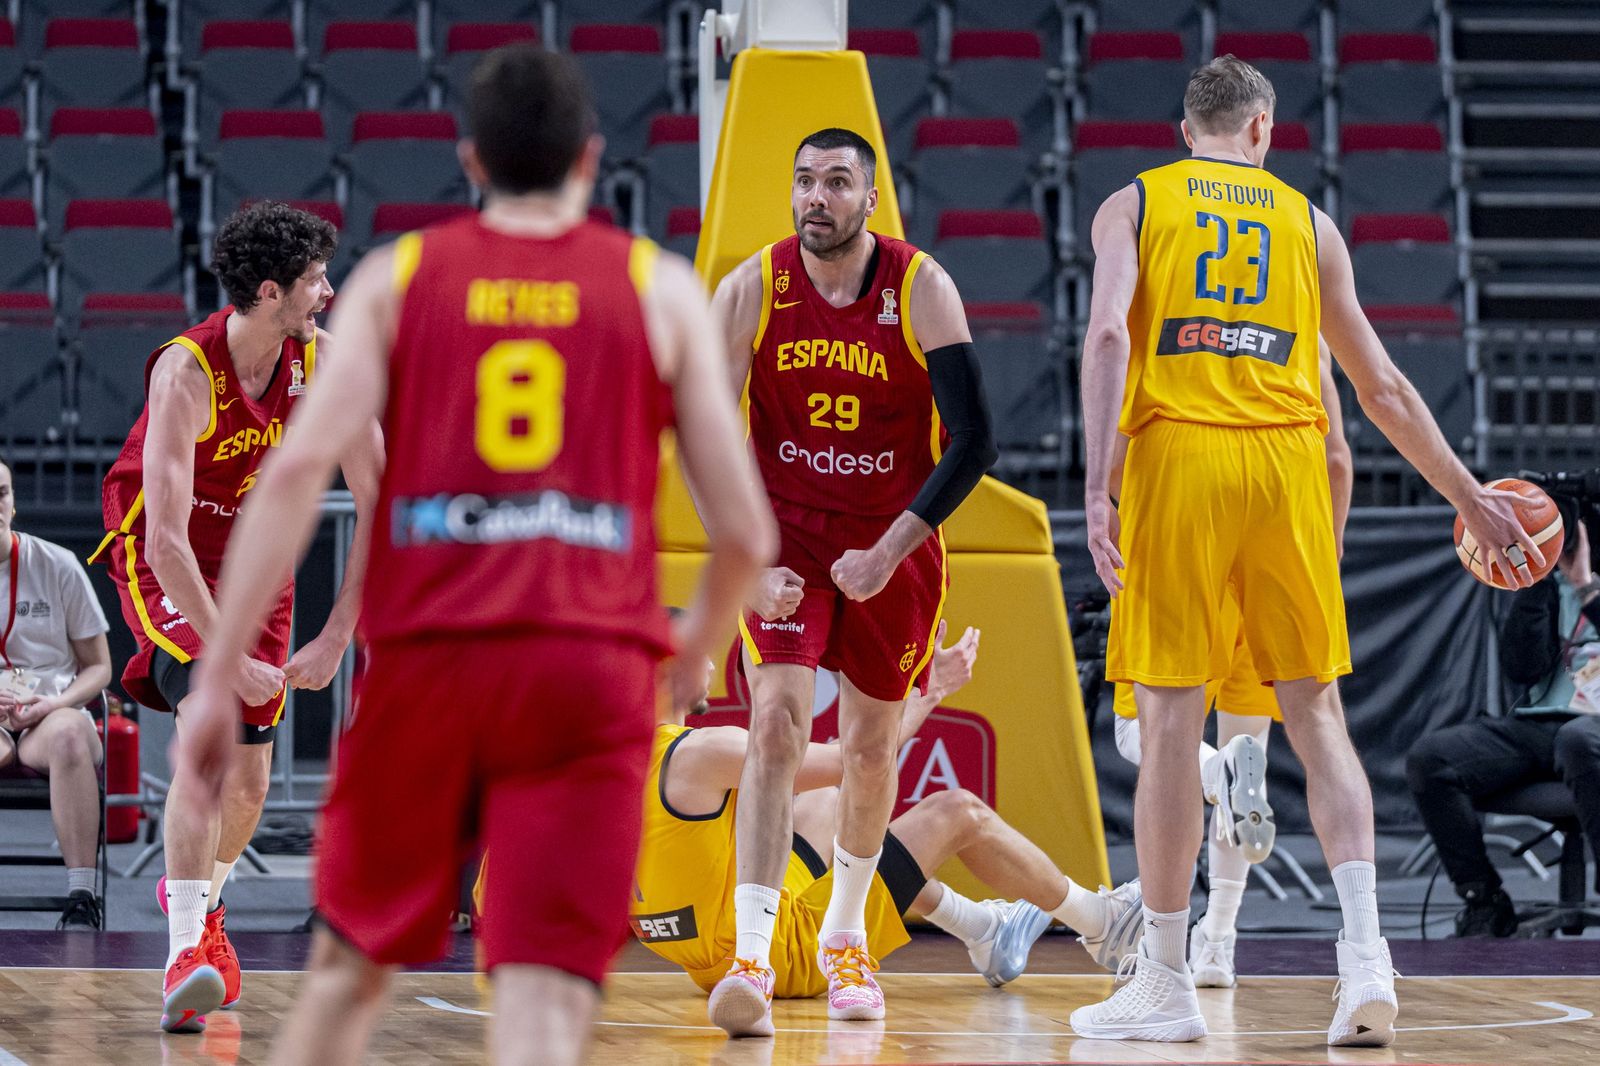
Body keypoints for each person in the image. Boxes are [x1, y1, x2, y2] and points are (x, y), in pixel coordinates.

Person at [177, 46, 774, 1066]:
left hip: (436, 664)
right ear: (589, 160)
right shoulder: (656, 286)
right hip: (587, 673)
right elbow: (745, 532)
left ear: (470, 160)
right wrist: (701, 650)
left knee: (346, 973)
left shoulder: (399, 278)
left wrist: (214, 670)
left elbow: (291, 477)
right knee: (540, 997)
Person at [1075, 55, 1537, 1046]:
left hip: (1181, 456)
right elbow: (1380, 391)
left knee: (1164, 725)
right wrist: (1468, 494)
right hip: (1286, 464)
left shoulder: (1135, 202)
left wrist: (1091, 484)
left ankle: (1164, 979)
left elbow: (1109, 335)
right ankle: (1365, 955)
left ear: (1185, 127)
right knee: (1317, 716)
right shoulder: (1308, 222)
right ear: (1262, 130)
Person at [706, 126, 997, 1032]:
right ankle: (752, 952)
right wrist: (745, 564)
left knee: (871, 750)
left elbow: (975, 442)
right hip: (787, 539)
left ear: (870, 199)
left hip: (889, 543)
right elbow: (705, 436)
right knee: (776, 724)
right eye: (803, 182)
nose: (815, 198)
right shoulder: (752, 287)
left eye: (836, 182)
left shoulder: (922, 288)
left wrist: (891, 550)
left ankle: (844, 939)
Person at [89, 200, 380, 1032]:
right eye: (315, 280)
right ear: (267, 291)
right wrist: (223, 658)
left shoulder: (323, 360)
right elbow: (171, 542)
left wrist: (338, 631)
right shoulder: (183, 373)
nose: (329, 292)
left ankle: (205, 909)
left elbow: (377, 493)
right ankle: (183, 947)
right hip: (162, 553)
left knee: (251, 778)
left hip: (256, 558)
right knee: (211, 730)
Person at [616, 622, 1142, 1033]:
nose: (713, 654)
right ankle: (1099, 922)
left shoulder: (620, 755)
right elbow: (860, 760)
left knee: (827, 807)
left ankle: (981, 928)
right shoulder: (705, 751)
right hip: (786, 956)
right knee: (956, 811)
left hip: (703, 962)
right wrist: (929, 691)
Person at [1109, 338, 1353, 986]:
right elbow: (1338, 463)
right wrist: (1317, 567)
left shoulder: (1163, 324)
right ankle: (1219, 940)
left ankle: (1215, 776)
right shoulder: (1300, 339)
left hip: (1186, 534)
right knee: (1254, 740)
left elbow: (1120, 454)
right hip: (1279, 543)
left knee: (1146, 734)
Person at [1407, 500, 1600, 937]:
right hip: (1542, 725)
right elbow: (1521, 668)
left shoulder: (1585, 584)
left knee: (1578, 739)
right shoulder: (1552, 583)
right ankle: (1484, 900)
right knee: (1432, 759)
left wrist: (1587, 589)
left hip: (1589, 732)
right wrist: (1536, 582)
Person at [0, 459, 113, 930]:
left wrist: (56, 704)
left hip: (49, 712)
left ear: (13, 501)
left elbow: (100, 667)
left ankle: (81, 896)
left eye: (0, 493)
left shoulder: (57, 565)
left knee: (70, 737)